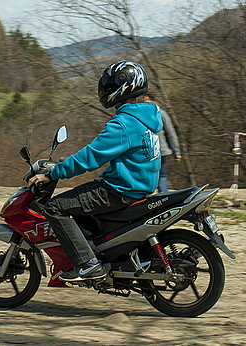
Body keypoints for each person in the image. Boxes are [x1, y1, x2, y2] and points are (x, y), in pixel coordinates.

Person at [27, 61, 163, 282]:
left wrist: (52, 173)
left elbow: (91, 157)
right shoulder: (148, 117)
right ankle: (97, 250)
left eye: (109, 85)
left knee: (55, 207)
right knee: (80, 202)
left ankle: (88, 264)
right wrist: (69, 162)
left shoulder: (124, 123)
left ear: (122, 88)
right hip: (139, 188)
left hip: (118, 190)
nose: (105, 89)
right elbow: (99, 154)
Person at [138, 89, 181, 193]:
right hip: (160, 150)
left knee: (145, 175)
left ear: (145, 97)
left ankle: (145, 199)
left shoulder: (138, 114)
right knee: (162, 175)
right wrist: (176, 152)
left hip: (143, 151)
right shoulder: (161, 113)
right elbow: (170, 133)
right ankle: (163, 198)